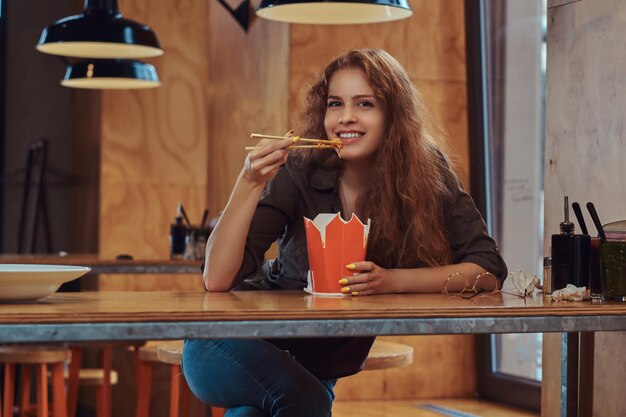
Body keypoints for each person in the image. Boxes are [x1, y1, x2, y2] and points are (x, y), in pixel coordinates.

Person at [182, 48, 507, 417]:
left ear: (393, 115)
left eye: (364, 103)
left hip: (314, 370)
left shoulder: (427, 171)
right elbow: (218, 278)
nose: (345, 117)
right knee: (307, 401)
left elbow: (488, 270)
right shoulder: (300, 169)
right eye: (335, 104)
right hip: (226, 345)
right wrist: (248, 181)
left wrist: (391, 280)